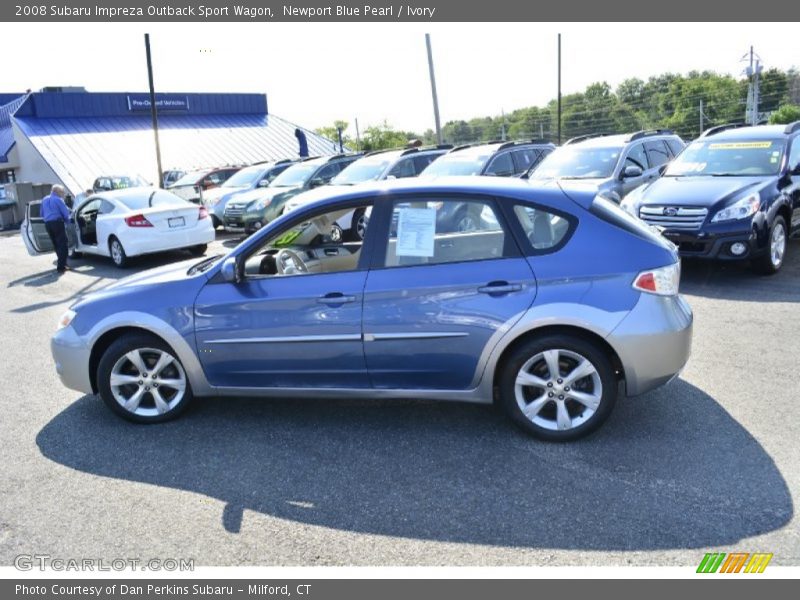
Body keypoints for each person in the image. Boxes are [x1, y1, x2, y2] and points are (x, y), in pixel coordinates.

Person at [41, 184, 71, 274]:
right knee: (63, 244)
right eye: (62, 192)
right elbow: (65, 213)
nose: (63, 194)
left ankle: (62, 264)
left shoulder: (44, 199)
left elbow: (41, 213)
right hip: (57, 223)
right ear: (58, 192)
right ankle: (61, 267)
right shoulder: (59, 200)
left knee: (56, 245)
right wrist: (68, 222)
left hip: (48, 224)